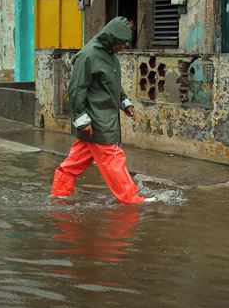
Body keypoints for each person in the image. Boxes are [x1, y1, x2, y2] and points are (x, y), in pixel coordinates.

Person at [50, 16, 155, 204]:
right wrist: (82, 119)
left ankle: (59, 193)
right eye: (122, 43)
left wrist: (125, 102)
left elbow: (111, 84)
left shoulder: (110, 56)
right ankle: (130, 199)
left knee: (75, 162)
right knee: (113, 159)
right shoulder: (88, 55)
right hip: (97, 120)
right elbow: (76, 89)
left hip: (103, 118)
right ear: (112, 39)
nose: (124, 47)